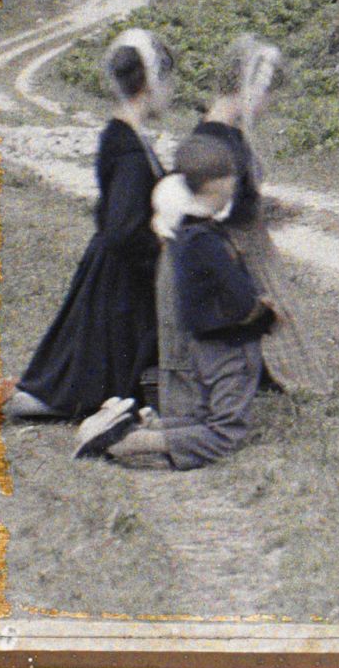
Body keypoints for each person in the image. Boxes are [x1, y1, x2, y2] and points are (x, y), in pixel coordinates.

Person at [0, 29, 176, 423]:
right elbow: (123, 229)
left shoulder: (122, 134)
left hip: (111, 269)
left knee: (87, 360)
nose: (171, 92)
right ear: (150, 84)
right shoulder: (130, 150)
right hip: (121, 277)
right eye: (168, 82)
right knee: (86, 377)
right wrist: (161, 251)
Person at [77, 130, 276, 469]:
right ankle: (131, 441)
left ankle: (139, 426)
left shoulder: (179, 234)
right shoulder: (208, 242)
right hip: (231, 347)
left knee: (204, 415)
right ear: (220, 184)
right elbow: (242, 301)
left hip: (203, 347)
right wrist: (262, 310)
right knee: (225, 432)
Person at [190, 35, 331, 395]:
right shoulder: (214, 138)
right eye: (268, 96)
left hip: (248, 246)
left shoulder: (227, 132)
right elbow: (211, 213)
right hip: (233, 254)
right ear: (252, 88)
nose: (268, 107)